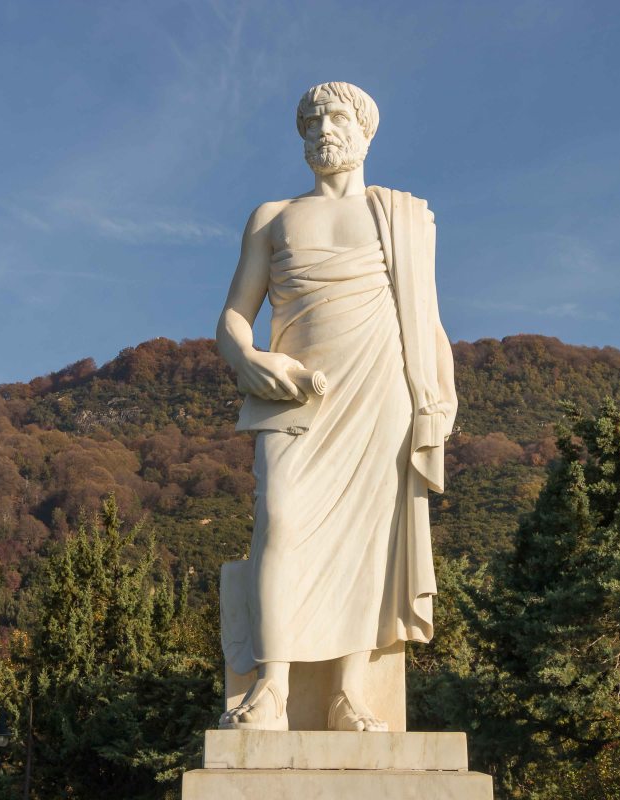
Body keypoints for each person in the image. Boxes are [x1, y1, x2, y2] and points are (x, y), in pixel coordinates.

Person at [215, 81, 456, 731]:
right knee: (281, 521)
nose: (324, 129)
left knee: (365, 541)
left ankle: (349, 694)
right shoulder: (273, 217)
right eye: (312, 121)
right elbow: (233, 318)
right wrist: (247, 358)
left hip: (380, 392)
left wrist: (440, 397)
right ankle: (271, 687)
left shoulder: (402, 216)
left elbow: (427, 318)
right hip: (293, 393)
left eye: (338, 118)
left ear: (365, 132)